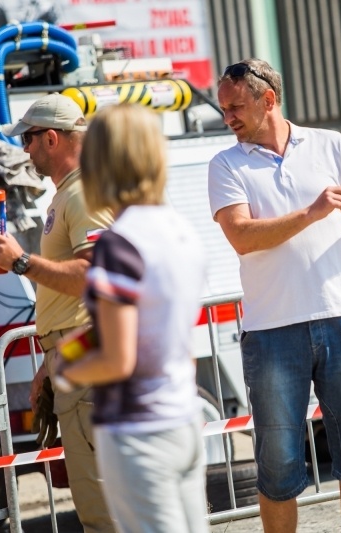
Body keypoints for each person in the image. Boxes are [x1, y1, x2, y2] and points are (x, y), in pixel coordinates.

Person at [207, 58, 341, 533]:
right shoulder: (225, 163)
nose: (227, 117)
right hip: (271, 332)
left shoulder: (330, 144)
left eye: (234, 107)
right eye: (223, 109)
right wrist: (310, 213)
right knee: (278, 467)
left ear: (267, 100)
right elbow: (242, 237)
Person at [55, 103, 209, 533]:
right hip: (182, 418)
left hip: (137, 430)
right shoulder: (181, 231)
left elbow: (117, 358)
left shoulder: (119, 244)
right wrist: (77, 345)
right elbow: (151, 324)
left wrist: (65, 369)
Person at [0, 93, 115, 533]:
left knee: (105, 510)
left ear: (53, 139)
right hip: (82, 359)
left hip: (91, 368)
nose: (25, 148)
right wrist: (51, 361)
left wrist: (21, 261)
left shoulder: (82, 195)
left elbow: (92, 277)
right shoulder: (72, 195)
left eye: (29, 138)